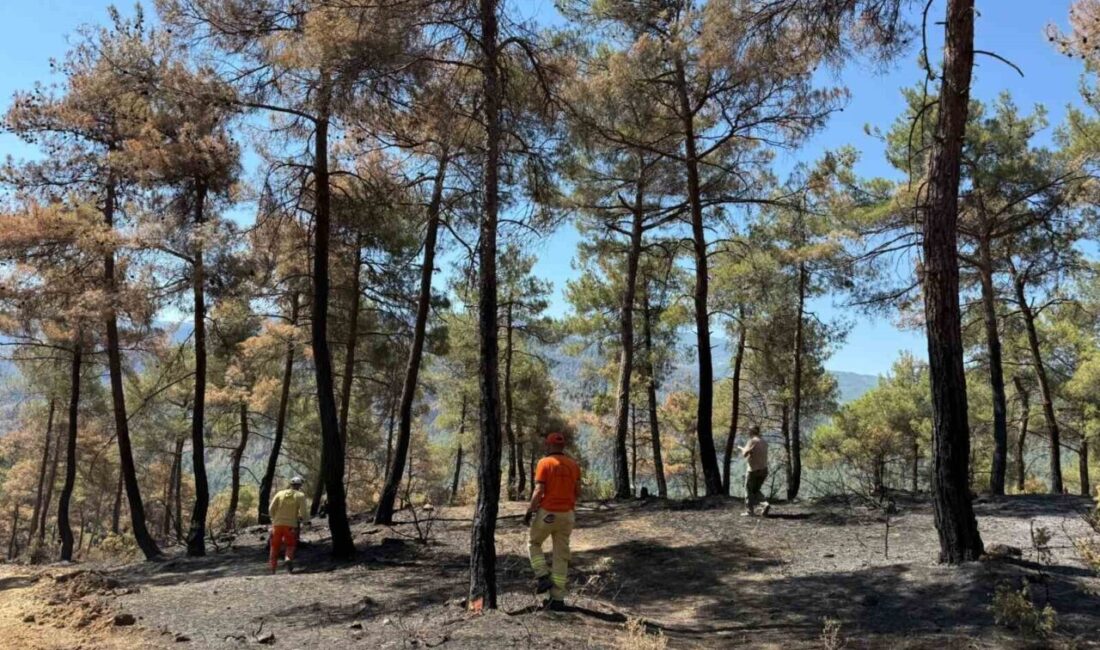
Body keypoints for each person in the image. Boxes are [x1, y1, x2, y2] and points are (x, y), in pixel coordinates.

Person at [525, 432, 581, 611]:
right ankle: (557, 599)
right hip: (567, 515)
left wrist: (530, 511)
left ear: (548, 446)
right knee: (561, 555)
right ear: (563, 446)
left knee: (534, 543)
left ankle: (542, 576)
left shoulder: (544, 463)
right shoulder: (573, 465)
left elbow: (539, 490)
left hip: (548, 512)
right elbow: (577, 491)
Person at [268, 476, 309, 573]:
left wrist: (274, 519)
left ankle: (273, 568)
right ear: (300, 485)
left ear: (291, 484)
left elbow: (270, 509)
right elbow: (303, 512)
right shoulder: (300, 495)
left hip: (277, 525)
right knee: (290, 544)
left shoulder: (280, 493)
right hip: (291, 526)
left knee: (274, 545)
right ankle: (288, 559)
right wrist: (306, 520)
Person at [740, 426, 770, 517]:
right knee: (756, 490)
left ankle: (749, 511)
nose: (748, 433)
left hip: (753, 470)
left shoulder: (752, 441)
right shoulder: (764, 442)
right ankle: (765, 504)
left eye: (749, 431)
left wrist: (742, 449)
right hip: (764, 469)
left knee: (748, 490)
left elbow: (745, 454)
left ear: (752, 432)